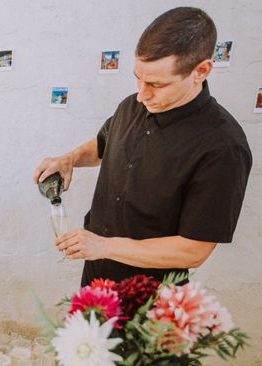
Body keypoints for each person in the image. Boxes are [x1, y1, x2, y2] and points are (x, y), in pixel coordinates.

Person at [34, 7, 251, 286]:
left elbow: (194, 250)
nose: (142, 93)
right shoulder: (133, 105)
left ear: (201, 71)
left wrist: (104, 246)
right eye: (138, 78)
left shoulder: (223, 147)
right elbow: (104, 145)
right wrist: (71, 158)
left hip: (153, 293)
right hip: (97, 275)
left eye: (157, 84)